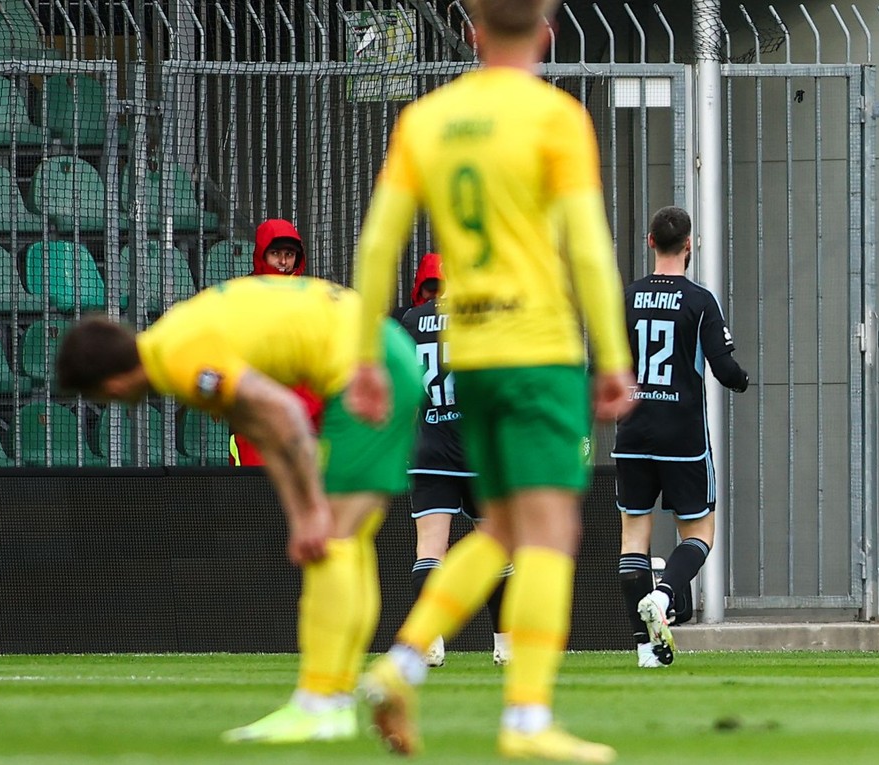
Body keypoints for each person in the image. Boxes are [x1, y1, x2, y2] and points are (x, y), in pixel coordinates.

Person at [346, 0, 635, 760]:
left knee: (506, 527)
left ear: (472, 31)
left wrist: (365, 356)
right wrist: (611, 356)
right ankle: (527, 720)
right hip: (537, 350)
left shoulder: (428, 119)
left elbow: (378, 244)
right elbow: (591, 249)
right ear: (547, 31)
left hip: (468, 354)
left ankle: (401, 663)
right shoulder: (554, 118)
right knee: (550, 532)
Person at [53, 276, 423, 743]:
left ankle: (320, 703)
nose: (110, 406)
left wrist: (310, 512)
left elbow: (286, 412)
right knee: (347, 541)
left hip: (368, 369)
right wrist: (300, 514)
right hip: (382, 353)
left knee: (333, 540)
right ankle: (335, 700)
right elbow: (264, 431)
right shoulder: (173, 343)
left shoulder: (178, 358)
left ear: (109, 382)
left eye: (98, 397)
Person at [613, 206, 749, 669]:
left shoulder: (624, 298)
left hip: (631, 432)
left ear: (649, 241)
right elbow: (725, 369)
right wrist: (743, 379)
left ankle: (645, 649)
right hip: (682, 435)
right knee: (699, 532)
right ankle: (667, 595)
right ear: (689, 245)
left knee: (634, 537)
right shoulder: (699, 300)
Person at [394, 252, 512, 668]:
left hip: (428, 448)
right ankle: (504, 644)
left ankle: (429, 641)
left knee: (430, 549)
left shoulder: (409, 321)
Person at [229, 219, 325, 467]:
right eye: (276, 254)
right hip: (256, 417)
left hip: (305, 415)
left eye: (289, 254)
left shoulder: (313, 298)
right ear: (262, 253)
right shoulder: (239, 298)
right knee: (254, 497)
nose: (283, 262)